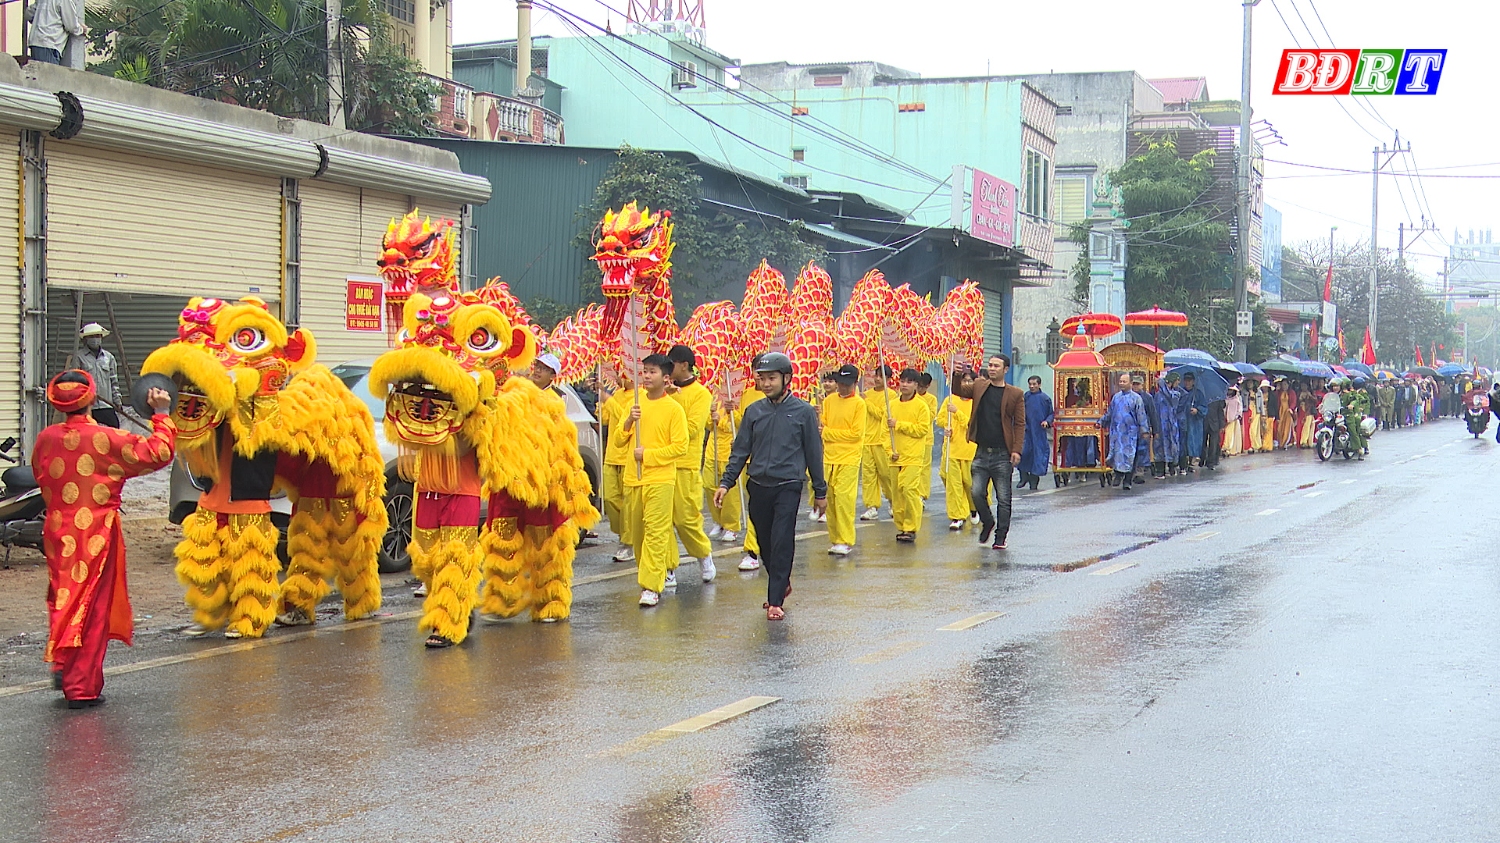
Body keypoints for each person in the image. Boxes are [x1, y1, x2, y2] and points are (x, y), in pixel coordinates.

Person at [35, 371, 175, 708]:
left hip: (57, 530)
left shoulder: (46, 438)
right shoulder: (107, 438)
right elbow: (159, 452)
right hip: (95, 531)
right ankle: (80, 687)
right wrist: (162, 414)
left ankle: (63, 662)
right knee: (93, 606)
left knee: (64, 598)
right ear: (92, 398)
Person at [716, 352, 826, 620]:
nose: (766, 384)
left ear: (786, 378)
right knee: (764, 543)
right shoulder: (754, 411)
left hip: (788, 485)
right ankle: (781, 579)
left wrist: (820, 491)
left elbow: (814, 452)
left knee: (781, 541)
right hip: (758, 485)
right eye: (762, 378)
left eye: (772, 378)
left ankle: (775, 600)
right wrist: (726, 482)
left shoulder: (803, 412)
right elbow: (740, 450)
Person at [621, 355, 688, 608]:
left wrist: (648, 456)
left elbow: (680, 447)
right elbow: (618, 439)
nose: (647, 377)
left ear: (666, 378)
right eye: (644, 372)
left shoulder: (674, 409)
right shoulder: (635, 403)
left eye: (652, 372)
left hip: (660, 479)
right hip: (634, 478)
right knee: (638, 535)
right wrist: (628, 421)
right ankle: (652, 573)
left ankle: (651, 586)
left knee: (656, 533)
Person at [665, 345, 716, 585]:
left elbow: (693, 427)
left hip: (686, 464)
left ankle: (703, 554)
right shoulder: (661, 392)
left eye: (671, 364)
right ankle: (667, 567)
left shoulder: (701, 393)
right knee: (661, 520)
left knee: (686, 519)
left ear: (683, 365)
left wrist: (673, 400)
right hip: (662, 463)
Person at [966, 354, 1026, 550]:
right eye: (990, 365)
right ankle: (987, 521)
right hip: (981, 452)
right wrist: (959, 374)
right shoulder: (979, 386)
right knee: (975, 492)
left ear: (1005, 369)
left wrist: (1016, 450)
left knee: (1004, 498)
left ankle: (1000, 537)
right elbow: (958, 389)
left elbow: (1019, 423)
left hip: (1002, 454)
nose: (991, 369)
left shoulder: (1015, 394)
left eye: (996, 366)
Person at [820, 364, 865, 555]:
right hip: (829, 458)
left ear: (855, 383)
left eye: (847, 384)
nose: (843, 387)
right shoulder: (829, 401)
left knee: (844, 499)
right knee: (829, 499)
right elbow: (822, 426)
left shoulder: (859, 404)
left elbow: (855, 435)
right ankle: (835, 538)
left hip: (849, 458)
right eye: (840, 383)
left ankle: (846, 539)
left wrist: (829, 433)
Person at [598, 373, 636, 563]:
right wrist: (601, 399)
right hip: (611, 455)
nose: (624, 377)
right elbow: (605, 418)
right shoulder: (618, 394)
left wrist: (609, 400)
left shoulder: (641, 395)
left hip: (629, 457)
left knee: (629, 504)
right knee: (610, 499)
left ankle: (628, 543)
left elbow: (626, 419)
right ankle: (626, 534)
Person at [939, 368, 978, 528]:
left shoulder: (977, 401)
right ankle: (957, 516)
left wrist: (957, 413)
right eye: (964, 380)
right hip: (952, 447)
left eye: (970, 381)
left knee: (969, 483)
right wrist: (946, 426)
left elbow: (972, 424)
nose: (967, 384)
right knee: (953, 484)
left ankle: (974, 508)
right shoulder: (950, 399)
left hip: (970, 449)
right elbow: (940, 418)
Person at [704, 391, 742, 545]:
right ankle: (717, 520)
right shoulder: (715, 397)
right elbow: (707, 425)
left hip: (729, 452)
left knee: (730, 493)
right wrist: (711, 416)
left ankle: (731, 526)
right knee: (708, 485)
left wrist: (730, 412)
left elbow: (741, 423)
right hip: (712, 451)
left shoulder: (739, 397)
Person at [1100, 373, 1149, 490]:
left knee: (1130, 456)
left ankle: (1127, 480)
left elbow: (1141, 415)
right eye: (1120, 381)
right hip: (1117, 432)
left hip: (1130, 434)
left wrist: (1144, 430)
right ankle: (1118, 474)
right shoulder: (1116, 397)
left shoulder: (1136, 398)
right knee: (1117, 454)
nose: (1121, 383)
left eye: (1124, 381)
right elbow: (1110, 413)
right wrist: (1101, 421)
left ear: (1130, 383)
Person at [859, 365, 896, 521]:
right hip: (867, 440)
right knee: (868, 476)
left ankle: (893, 500)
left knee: (886, 474)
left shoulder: (892, 396)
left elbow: (882, 414)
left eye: (881, 377)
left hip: (881, 440)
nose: (876, 379)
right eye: (876, 375)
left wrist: (866, 402)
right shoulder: (865, 394)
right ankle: (871, 506)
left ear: (888, 379)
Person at [70, 323, 123, 429]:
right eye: (91, 336)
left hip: (106, 405)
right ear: (85, 339)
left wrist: (117, 400)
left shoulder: (109, 357)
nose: (95, 339)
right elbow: (75, 382)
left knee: (113, 431)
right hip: (87, 407)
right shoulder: (78, 357)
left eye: (97, 336)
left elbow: (114, 381)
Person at [26, 0, 84, 66]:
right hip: (49, 44)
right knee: (49, 75)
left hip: (36, 43)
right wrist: (82, 29)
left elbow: (28, 14)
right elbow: (71, 26)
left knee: (39, 74)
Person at [1177, 372, 1208, 472]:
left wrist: (1197, 410)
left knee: (1193, 442)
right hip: (1182, 420)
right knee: (1183, 442)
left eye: (1189, 380)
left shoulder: (1198, 394)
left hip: (1194, 422)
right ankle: (1183, 463)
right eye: (1186, 380)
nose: (1187, 382)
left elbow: (1204, 407)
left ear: (1193, 381)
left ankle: (1191, 462)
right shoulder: (1180, 392)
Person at [1131, 372, 1158, 483]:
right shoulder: (1128, 397)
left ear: (1142, 385)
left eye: (1138, 384)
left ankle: (1139, 472)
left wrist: (1155, 430)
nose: (1136, 386)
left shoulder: (1147, 398)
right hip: (1131, 429)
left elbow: (1153, 414)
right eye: (1134, 384)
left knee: (1142, 450)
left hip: (1143, 428)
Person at [1154, 373, 1182, 476]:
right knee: (1159, 446)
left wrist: (1161, 383)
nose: (1178, 383)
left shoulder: (1176, 394)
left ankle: (1172, 467)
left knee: (1172, 445)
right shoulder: (1158, 395)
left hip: (1171, 425)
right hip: (1160, 424)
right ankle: (1160, 470)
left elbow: (1169, 395)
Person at [917, 372, 938, 500]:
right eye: (918, 386)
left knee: (924, 468)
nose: (919, 389)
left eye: (923, 387)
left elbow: (930, 417)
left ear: (928, 386)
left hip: (926, 438)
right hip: (912, 439)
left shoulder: (931, 399)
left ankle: (922, 494)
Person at [1342, 377, 1371, 458]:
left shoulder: (1362, 392)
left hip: (1358, 413)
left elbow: (1365, 402)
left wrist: (1364, 411)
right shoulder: (1347, 393)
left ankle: (1363, 447)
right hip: (1349, 412)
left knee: (1358, 430)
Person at [1222, 386, 1244, 456]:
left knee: (1231, 434)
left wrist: (1237, 416)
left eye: (1231, 390)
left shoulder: (1237, 399)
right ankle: (1225, 448)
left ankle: (1230, 449)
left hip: (1234, 420)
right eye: (1229, 390)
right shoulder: (1226, 399)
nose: (1230, 392)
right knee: (1226, 434)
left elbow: (1240, 409)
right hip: (1226, 419)